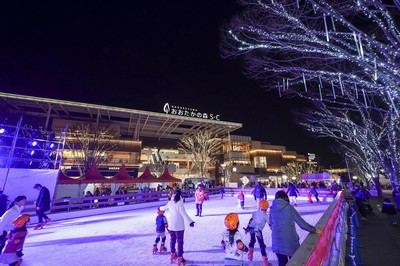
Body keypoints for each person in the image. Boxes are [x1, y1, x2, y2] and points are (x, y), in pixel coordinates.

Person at [269, 191, 322, 266]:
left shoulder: (272, 208)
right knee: (295, 262)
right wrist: (315, 230)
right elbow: (302, 224)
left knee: (282, 263)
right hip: (290, 242)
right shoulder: (289, 208)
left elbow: (270, 225)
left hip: (277, 242)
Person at [162, 189, 194, 265]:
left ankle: (173, 254)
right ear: (180, 195)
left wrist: (159, 208)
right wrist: (190, 222)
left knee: (172, 240)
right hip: (179, 226)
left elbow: (163, 208)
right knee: (180, 242)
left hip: (171, 225)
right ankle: (180, 257)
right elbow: (183, 213)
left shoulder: (170, 202)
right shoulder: (179, 203)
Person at [244, 200, 271, 266]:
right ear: (267, 207)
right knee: (261, 245)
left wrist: (247, 228)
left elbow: (250, 220)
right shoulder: (265, 215)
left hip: (251, 228)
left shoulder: (255, 212)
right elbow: (270, 224)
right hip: (258, 230)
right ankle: (265, 262)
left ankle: (250, 255)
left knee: (252, 241)